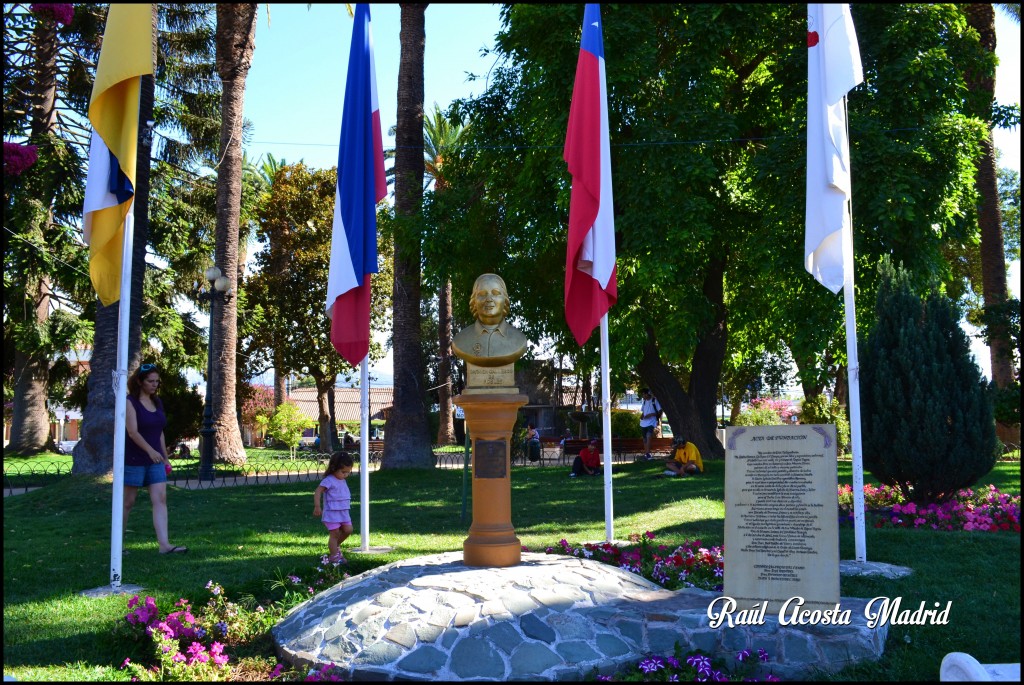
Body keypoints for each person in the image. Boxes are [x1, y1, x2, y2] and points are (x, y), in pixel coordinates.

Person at [124, 363, 187, 554]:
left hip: (156, 461)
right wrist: (150, 451)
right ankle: (117, 545)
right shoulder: (129, 402)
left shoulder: (157, 402)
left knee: (160, 499)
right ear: (139, 382)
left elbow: (159, 431)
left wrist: (165, 457)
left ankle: (164, 545)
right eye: (150, 381)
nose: (154, 385)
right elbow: (133, 432)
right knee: (128, 502)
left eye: (157, 381)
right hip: (134, 459)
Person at [451, 273, 529, 368]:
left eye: (495, 293)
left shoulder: (519, 340)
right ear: (474, 301)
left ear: (505, 300)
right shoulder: (461, 340)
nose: (489, 299)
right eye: (482, 294)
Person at [313, 451, 354, 563]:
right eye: (343, 472)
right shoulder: (329, 480)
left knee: (348, 530)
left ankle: (335, 547)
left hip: (344, 512)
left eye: (348, 472)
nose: (345, 474)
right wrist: (317, 506)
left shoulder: (342, 480)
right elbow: (317, 492)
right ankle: (334, 556)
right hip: (332, 513)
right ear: (333, 468)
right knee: (334, 533)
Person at [639, 388, 662, 460]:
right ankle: (646, 454)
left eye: (643, 394)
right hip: (643, 423)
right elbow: (643, 411)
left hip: (651, 422)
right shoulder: (645, 402)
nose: (643, 396)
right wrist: (642, 416)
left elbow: (660, 411)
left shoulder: (654, 400)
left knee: (648, 436)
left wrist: (651, 414)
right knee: (644, 439)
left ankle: (648, 453)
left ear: (647, 394)